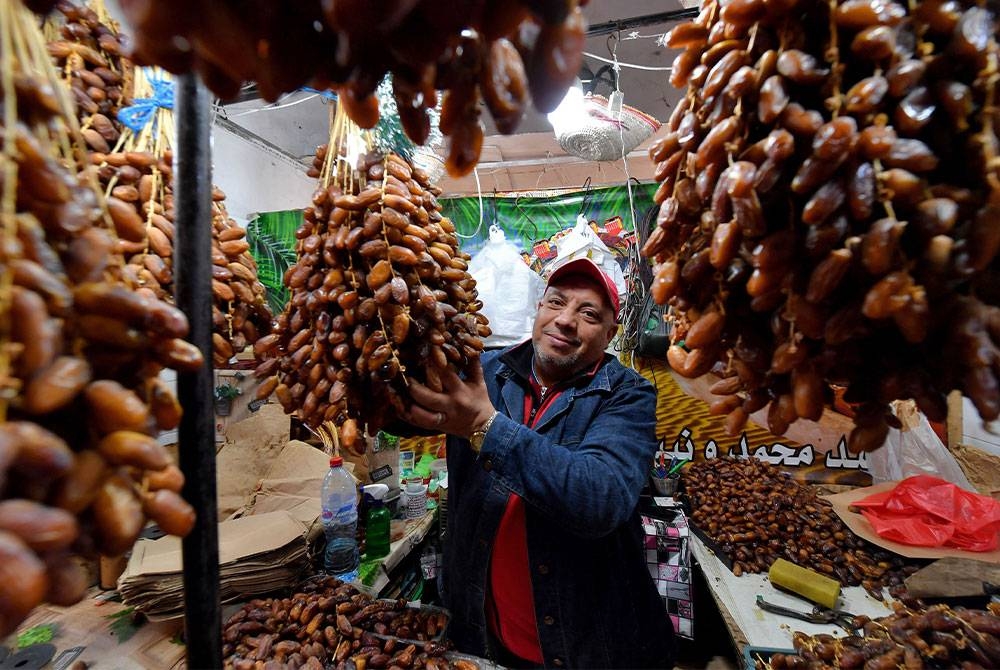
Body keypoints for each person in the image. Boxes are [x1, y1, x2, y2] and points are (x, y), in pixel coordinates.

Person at [402, 258, 674, 669]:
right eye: (555, 302)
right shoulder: (484, 370)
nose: (564, 320)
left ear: (610, 334)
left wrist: (483, 426)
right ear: (538, 308)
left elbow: (598, 497)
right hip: (482, 637)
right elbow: (399, 407)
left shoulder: (628, 395)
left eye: (588, 314)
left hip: (586, 649)